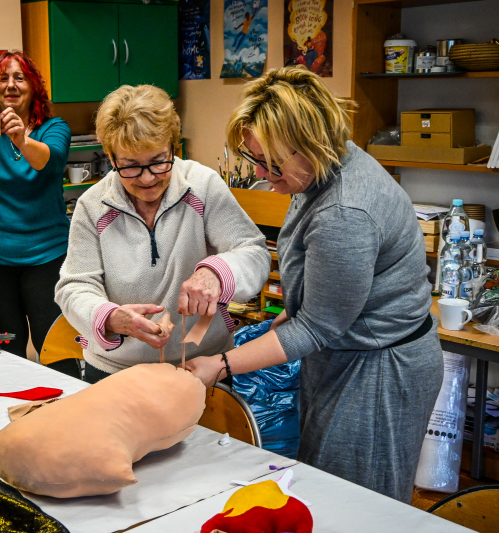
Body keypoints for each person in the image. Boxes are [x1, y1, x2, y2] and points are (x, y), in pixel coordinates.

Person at [185, 66, 443, 503]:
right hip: (351, 352)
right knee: (326, 480)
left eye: (272, 163)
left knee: (357, 502)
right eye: (256, 160)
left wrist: (221, 365)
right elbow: (328, 298)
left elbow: (318, 328)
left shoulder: (345, 211)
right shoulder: (322, 168)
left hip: (379, 369)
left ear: (310, 142)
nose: (265, 175)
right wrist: (302, 307)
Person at [55, 84, 270, 383]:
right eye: (130, 166)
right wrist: (111, 318)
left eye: (158, 161)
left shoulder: (203, 186)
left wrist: (217, 273)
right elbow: (74, 287)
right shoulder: (92, 206)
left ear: (174, 146)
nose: (147, 178)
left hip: (201, 367)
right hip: (115, 372)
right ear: (110, 156)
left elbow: (255, 253)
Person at [0, 51, 79, 378]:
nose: (11, 85)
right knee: (5, 349)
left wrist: (21, 138)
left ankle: (66, 416)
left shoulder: (54, 128)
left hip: (46, 256)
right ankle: (11, 414)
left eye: (19, 78)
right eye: (2, 78)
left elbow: (47, 161)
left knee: (54, 347)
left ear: (33, 87)